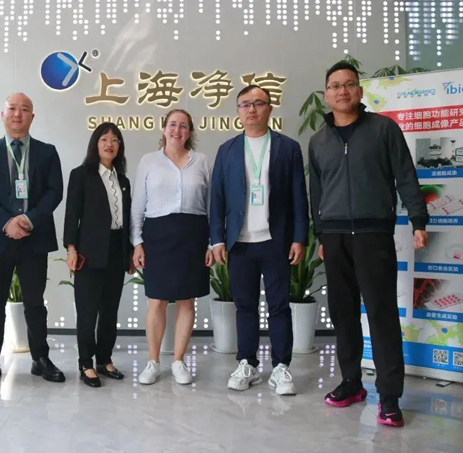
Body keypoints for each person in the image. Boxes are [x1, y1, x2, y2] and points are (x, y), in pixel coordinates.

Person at [309, 61, 429, 427]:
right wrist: (321, 234)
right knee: (343, 313)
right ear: (326, 94)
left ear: (360, 91)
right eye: (335, 86)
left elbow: (405, 175)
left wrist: (418, 220)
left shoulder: (383, 129)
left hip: (373, 234)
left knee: (380, 313)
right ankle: (351, 382)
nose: (342, 91)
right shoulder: (318, 141)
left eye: (349, 84)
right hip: (334, 237)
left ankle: (389, 395)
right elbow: (317, 192)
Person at [211, 85, 309, 395]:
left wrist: (299, 237)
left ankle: (281, 367)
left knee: (279, 306)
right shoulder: (227, 150)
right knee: (245, 306)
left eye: (258, 103)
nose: (251, 109)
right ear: (238, 111)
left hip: (275, 240)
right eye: (245, 104)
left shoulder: (288, 148)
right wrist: (217, 240)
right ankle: (248, 364)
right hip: (239, 243)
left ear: (269, 108)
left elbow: (298, 196)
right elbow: (217, 198)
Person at [0, 93, 65, 386]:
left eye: (24, 110)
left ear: (32, 117)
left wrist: (29, 219)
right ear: (3, 115)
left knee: (35, 302)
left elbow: (54, 192)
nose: (18, 114)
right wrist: (7, 222)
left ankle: (41, 359)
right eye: (12, 108)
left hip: (34, 237)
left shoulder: (47, 152)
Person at [131, 109, 214, 385]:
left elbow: (212, 206)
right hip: (158, 235)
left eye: (183, 126)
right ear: (164, 129)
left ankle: (178, 360)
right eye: (172, 125)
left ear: (190, 132)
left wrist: (211, 242)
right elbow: (138, 205)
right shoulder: (149, 161)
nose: (177, 130)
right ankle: (153, 362)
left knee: (187, 300)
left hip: (193, 234)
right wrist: (137, 242)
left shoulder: (201, 162)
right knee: (156, 300)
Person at [63, 122, 134, 388]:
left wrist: (129, 253)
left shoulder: (123, 181)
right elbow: (72, 215)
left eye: (115, 140)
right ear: (95, 144)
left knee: (109, 310)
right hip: (89, 252)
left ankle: (104, 359)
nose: (109, 144)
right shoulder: (81, 175)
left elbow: (128, 220)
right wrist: (71, 248)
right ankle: (86, 364)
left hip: (116, 250)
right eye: (104, 139)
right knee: (87, 310)